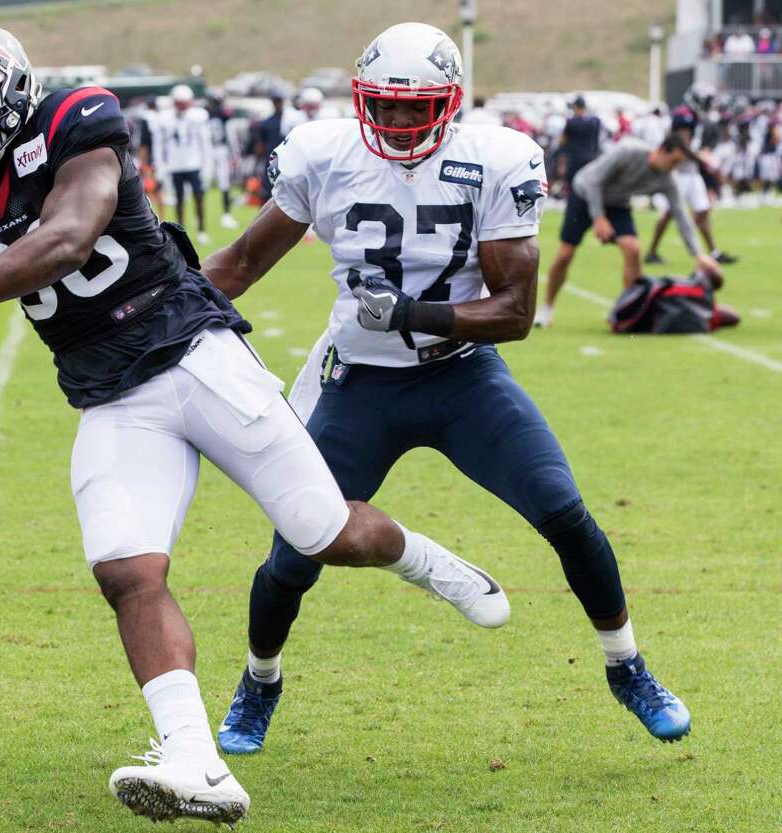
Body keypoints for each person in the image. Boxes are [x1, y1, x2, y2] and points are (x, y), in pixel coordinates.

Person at [0, 20, 511, 825]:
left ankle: (428, 560)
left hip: (191, 348)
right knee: (125, 571)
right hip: (109, 390)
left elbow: (70, 237)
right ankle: (194, 758)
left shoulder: (79, 118)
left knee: (324, 531)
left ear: (8, 89)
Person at [202, 22, 692, 756]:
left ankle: (629, 666)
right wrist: (155, 310)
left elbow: (515, 313)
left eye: (416, 106)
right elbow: (241, 262)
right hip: (361, 381)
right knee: (297, 548)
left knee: (561, 507)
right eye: (384, 106)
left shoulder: (493, 160)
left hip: (462, 375)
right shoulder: (324, 154)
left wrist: (416, 315)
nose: (398, 122)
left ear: (451, 103)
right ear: (361, 99)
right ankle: (259, 681)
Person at [538, 134, 724, 325]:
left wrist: (698, 254)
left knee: (633, 249)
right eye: (673, 161)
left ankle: (630, 313)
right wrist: (599, 218)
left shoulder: (668, 180)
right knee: (565, 254)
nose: (673, 168)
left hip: (617, 203)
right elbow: (594, 182)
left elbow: (681, 216)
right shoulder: (628, 151)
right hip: (585, 194)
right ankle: (546, 309)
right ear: (661, 150)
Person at [645, 98, 737, 267]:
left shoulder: (698, 122)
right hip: (679, 174)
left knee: (703, 212)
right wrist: (704, 160)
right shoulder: (683, 117)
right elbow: (682, 147)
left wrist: (704, 157)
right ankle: (651, 252)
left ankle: (713, 251)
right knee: (668, 214)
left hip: (693, 174)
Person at [156, 84, 212, 244]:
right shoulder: (165, 119)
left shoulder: (199, 116)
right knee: (179, 200)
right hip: (175, 164)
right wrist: (161, 166)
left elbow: (205, 143)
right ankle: (182, 230)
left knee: (199, 197)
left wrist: (206, 167)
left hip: (194, 163)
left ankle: (202, 230)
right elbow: (160, 146)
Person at [205, 90, 239, 230]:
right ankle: (225, 215)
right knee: (221, 183)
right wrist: (235, 154)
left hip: (212, 150)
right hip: (219, 150)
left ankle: (221, 216)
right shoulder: (222, 116)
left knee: (208, 181)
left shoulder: (205, 115)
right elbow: (231, 136)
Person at [556, 96, 602, 194]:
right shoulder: (595, 121)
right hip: (591, 159)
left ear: (576, 107)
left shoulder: (571, 123)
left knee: (573, 188)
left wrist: (561, 164)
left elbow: (562, 142)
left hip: (574, 160)